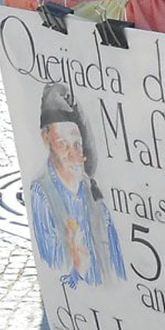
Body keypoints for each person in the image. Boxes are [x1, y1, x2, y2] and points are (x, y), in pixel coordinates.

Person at [29, 84, 124, 289]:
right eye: (62, 143)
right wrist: (77, 272)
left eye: (77, 144)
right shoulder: (42, 195)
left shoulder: (93, 194)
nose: (73, 155)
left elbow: (117, 264)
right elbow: (54, 274)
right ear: (46, 140)